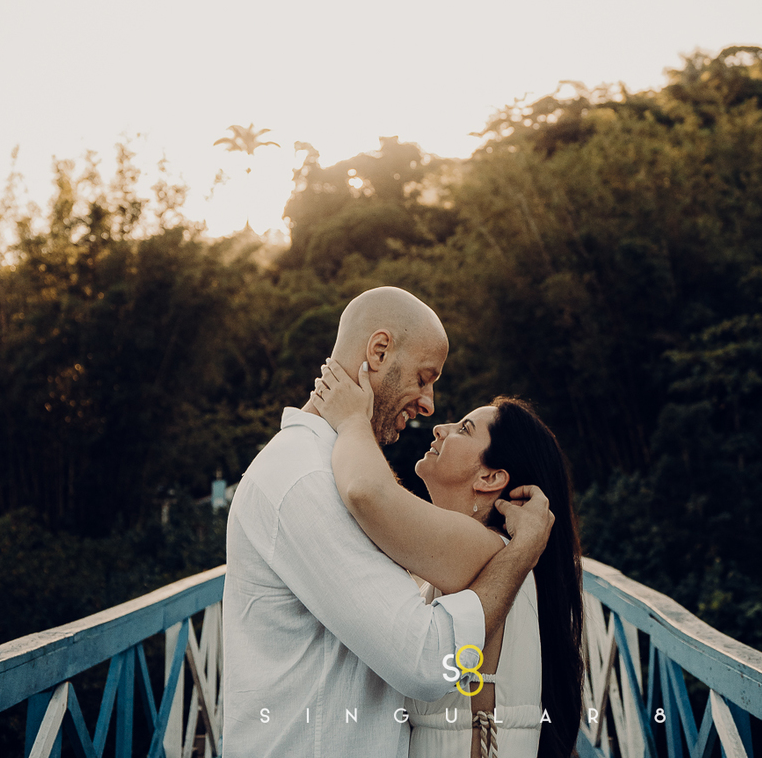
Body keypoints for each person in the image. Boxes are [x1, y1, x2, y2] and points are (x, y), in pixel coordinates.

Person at [223, 287, 554, 756]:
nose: (430, 406)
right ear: (379, 352)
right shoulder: (307, 479)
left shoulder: (328, 468)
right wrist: (522, 551)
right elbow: (427, 661)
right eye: (424, 378)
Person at [312, 355, 583, 758]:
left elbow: (367, 492)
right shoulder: (478, 554)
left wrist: (353, 421)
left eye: (464, 429)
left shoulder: (484, 550)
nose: (441, 427)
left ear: (490, 477)